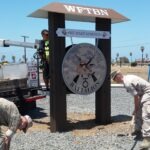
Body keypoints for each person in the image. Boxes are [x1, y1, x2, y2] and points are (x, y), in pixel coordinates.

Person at [111, 70, 150, 149]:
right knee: (138, 111)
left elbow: (135, 96)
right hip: (143, 93)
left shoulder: (127, 82)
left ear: (118, 76)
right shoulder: (127, 78)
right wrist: (136, 108)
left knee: (145, 114)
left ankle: (147, 139)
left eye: (114, 79)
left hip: (148, 92)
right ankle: (138, 129)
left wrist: (135, 108)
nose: (115, 81)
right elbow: (137, 94)